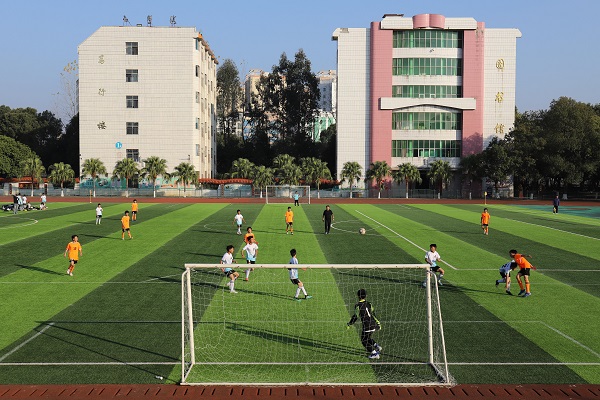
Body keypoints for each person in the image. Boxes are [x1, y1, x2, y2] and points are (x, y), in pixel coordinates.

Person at [346, 288, 382, 360]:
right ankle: (377, 346)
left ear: (358, 296)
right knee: (367, 338)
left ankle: (374, 353)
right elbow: (373, 313)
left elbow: (355, 317)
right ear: (366, 296)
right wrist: (378, 323)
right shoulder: (369, 304)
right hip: (374, 324)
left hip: (367, 326)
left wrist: (349, 324)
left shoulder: (358, 306)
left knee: (363, 341)